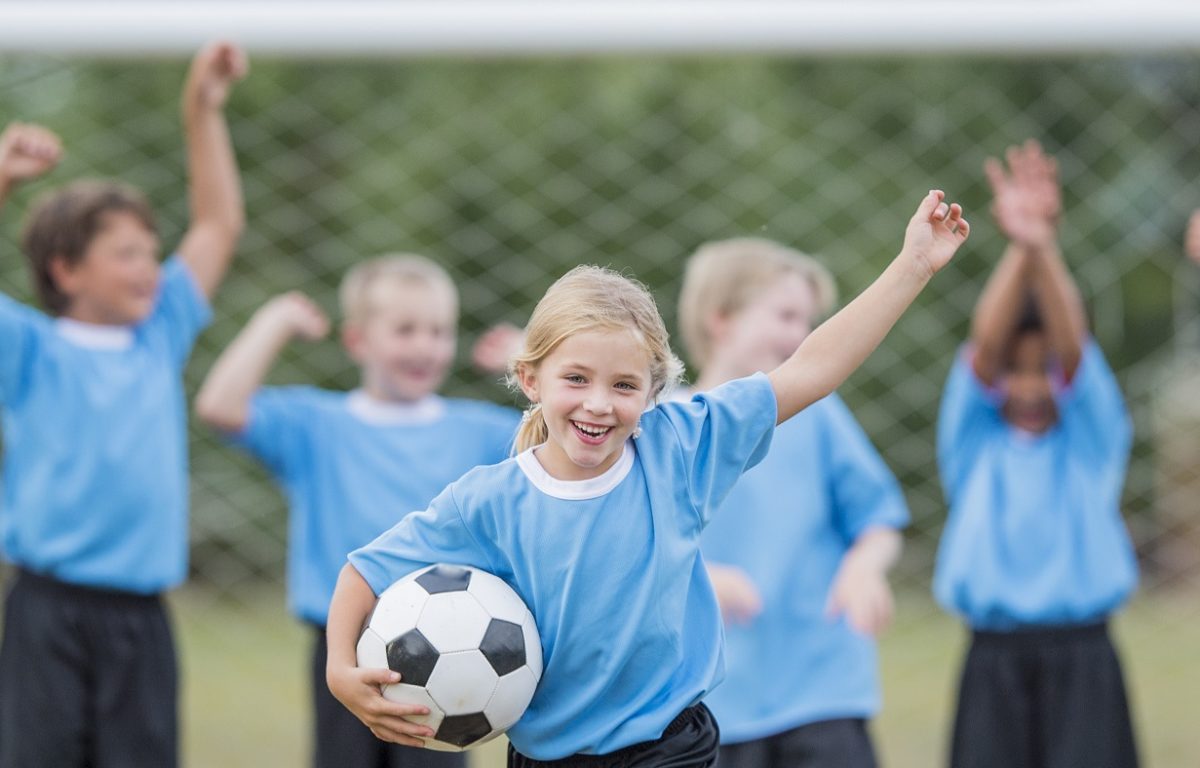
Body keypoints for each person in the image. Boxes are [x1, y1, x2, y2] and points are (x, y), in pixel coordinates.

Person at [327, 190, 968, 767]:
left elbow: (811, 368)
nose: (598, 404)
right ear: (531, 380)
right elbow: (363, 572)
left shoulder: (680, 450)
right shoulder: (489, 500)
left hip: (671, 747)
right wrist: (338, 670)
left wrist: (912, 266)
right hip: (548, 756)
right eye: (575, 379)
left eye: (625, 385)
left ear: (654, 392)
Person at [0, 43, 247, 768]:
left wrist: (200, 110)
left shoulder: (159, 335)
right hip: (46, 611)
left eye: (151, 251)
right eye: (127, 254)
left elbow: (218, 226)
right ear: (66, 269)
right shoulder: (30, 347)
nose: (150, 268)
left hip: (141, 616)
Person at [194, 254, 519, 768]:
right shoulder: (317, 424)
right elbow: (219, 406)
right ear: (358, 341)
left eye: (439, 331)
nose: (424, 346)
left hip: (453, 646)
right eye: (405, 329)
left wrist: (528, 364)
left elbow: (564, 440)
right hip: (342, 648)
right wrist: (273, 323)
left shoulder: (478, 431)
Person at [933, 140, 1139, 768]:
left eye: (1043, 371)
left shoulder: (1090, 444)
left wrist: (1042, 246)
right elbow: (985, 344)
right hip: (991, 658)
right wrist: (1018, 247)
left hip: (1085, 656)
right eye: (1015, 373)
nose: (1030, 386)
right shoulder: (974, 445)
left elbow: (1071, 344)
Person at [675, 238, 907, 768]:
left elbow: (878, 519)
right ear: (721, 319)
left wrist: (865, 567)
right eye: (785, 315)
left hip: (823, 688)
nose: (801, 335)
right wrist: (698, 577)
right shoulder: (671, 428)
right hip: (715, 701)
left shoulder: (819, 416)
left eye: (808, 320)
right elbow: (634, 550)